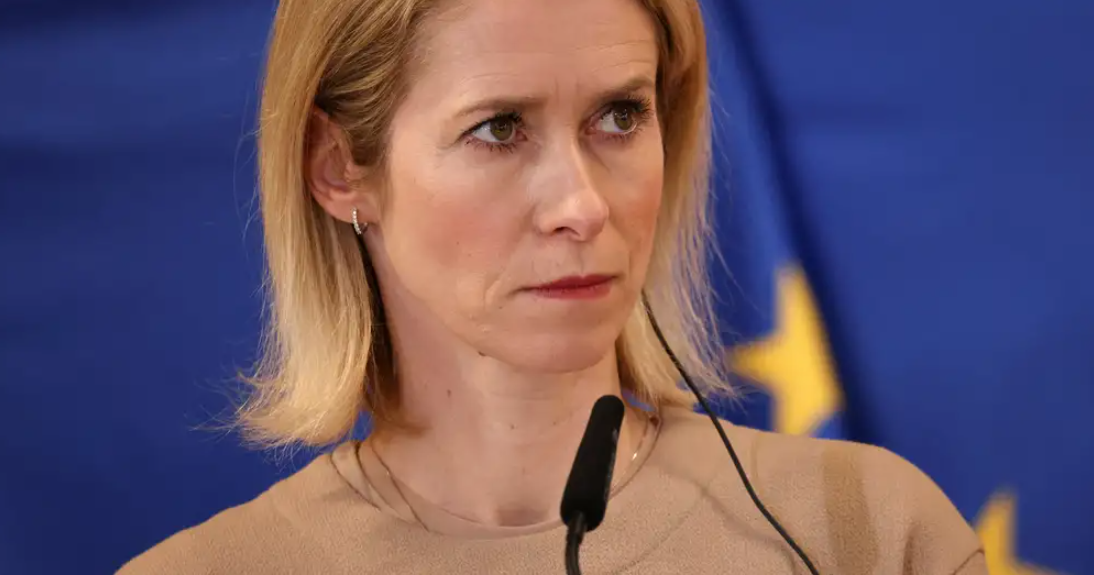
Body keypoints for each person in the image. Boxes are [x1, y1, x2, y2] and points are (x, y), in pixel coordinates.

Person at [119, 0, 987, 573]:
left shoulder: (869, 532)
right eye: (500, 128)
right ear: (338, 166)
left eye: (620, 116)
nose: (582, 204)